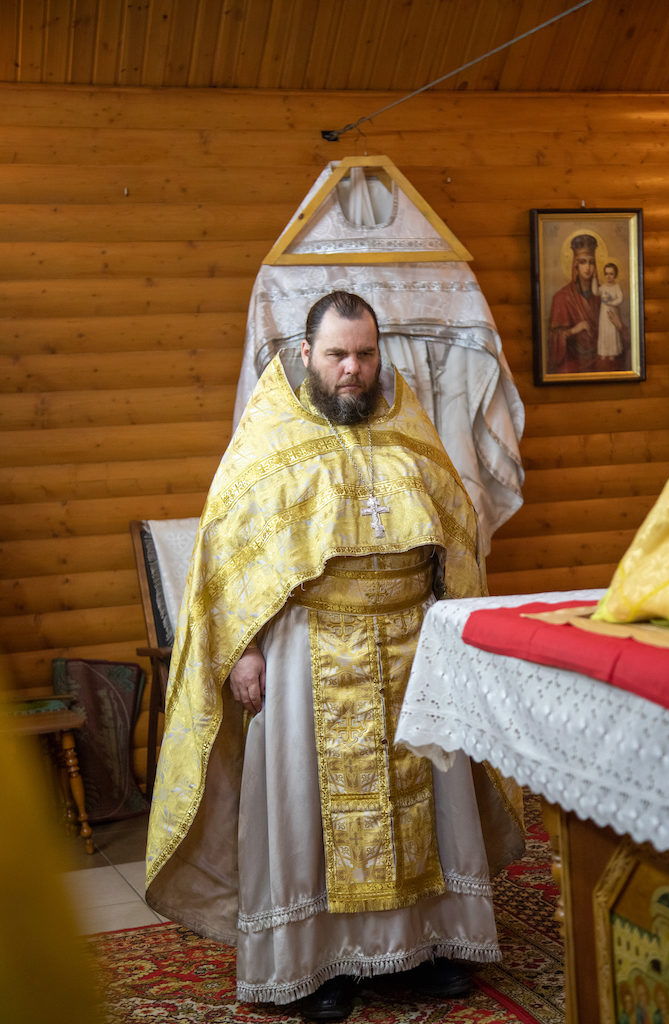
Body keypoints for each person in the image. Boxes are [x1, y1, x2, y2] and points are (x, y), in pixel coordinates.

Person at [145, 291, 524, 1021]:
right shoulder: (268, 439)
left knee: (427, 803)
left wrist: (457, 636)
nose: (353, 369)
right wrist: (244, 650)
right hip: (306, 653)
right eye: (337, 355)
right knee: (306, 813)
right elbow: (228, 560)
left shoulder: (409, 426)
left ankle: (427, 946)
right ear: (305, 355)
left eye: (365, 354)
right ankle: (320, 963)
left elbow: (453, 536)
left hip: (413, 647)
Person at [548, 233, 602, 374]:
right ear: (575, 266)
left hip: (599, 355)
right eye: (583, 262)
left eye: (591, 262)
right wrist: (574, 330)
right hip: (573, 358)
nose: (587, 267)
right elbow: (553, 337)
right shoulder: (561, 297)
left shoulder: (602, 296)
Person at [597, 262, 625, 359]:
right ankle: (604, 352)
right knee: (604, 330)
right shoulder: (603, 287)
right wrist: (593, 280)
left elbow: (620, 298)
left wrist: (612, 303)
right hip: (604, 313)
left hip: (613, 313)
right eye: (606, 274)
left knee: (612, 331)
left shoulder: (616, 286)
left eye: (611, 274)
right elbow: (595, 292)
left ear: (615, 275)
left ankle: (612, 352)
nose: (608, 276)